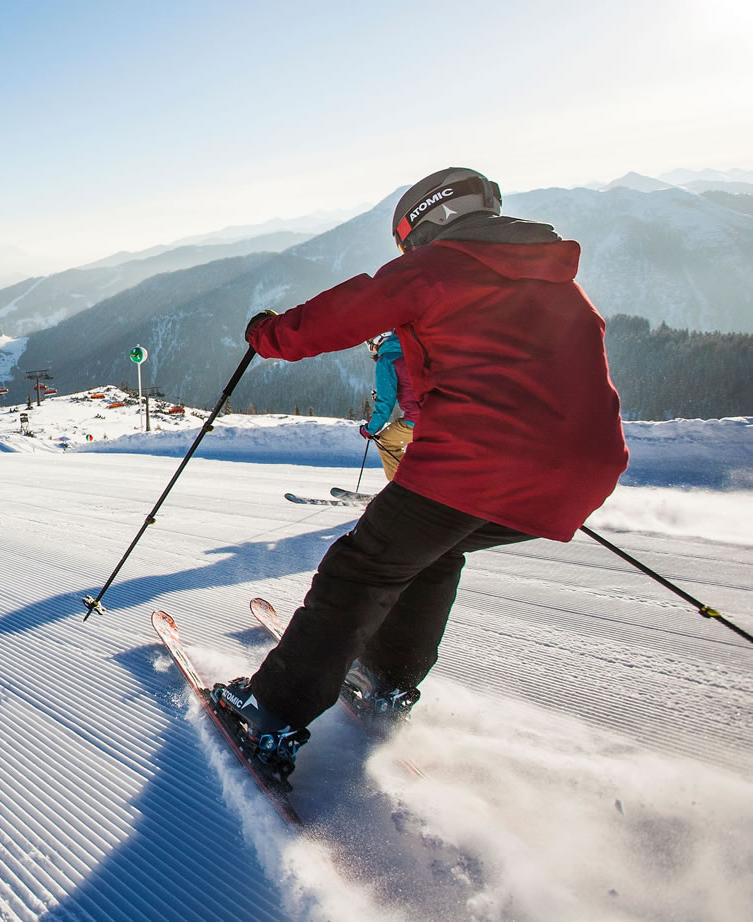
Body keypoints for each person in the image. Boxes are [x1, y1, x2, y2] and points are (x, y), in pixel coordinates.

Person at [211, 167, 628, 781]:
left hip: (477, 462)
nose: (406, 252)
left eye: (406, 240)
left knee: (363, 565)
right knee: (430, 552)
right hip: (580, 475)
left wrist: (267, 333)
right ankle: (385, 682)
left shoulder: (438, 267)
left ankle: (269, 709)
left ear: (426, 224)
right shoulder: (562, 285)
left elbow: (339, 315)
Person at [361, 331, 417, 481]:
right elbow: (412, 389)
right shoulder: (412, 350)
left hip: (419, 420)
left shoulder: (387, 359)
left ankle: (402, 491)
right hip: (441, 412)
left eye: (369, 344)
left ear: (378, 340)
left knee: (386, 441)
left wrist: (370, 429)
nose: (371, 349)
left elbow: (385, 404)